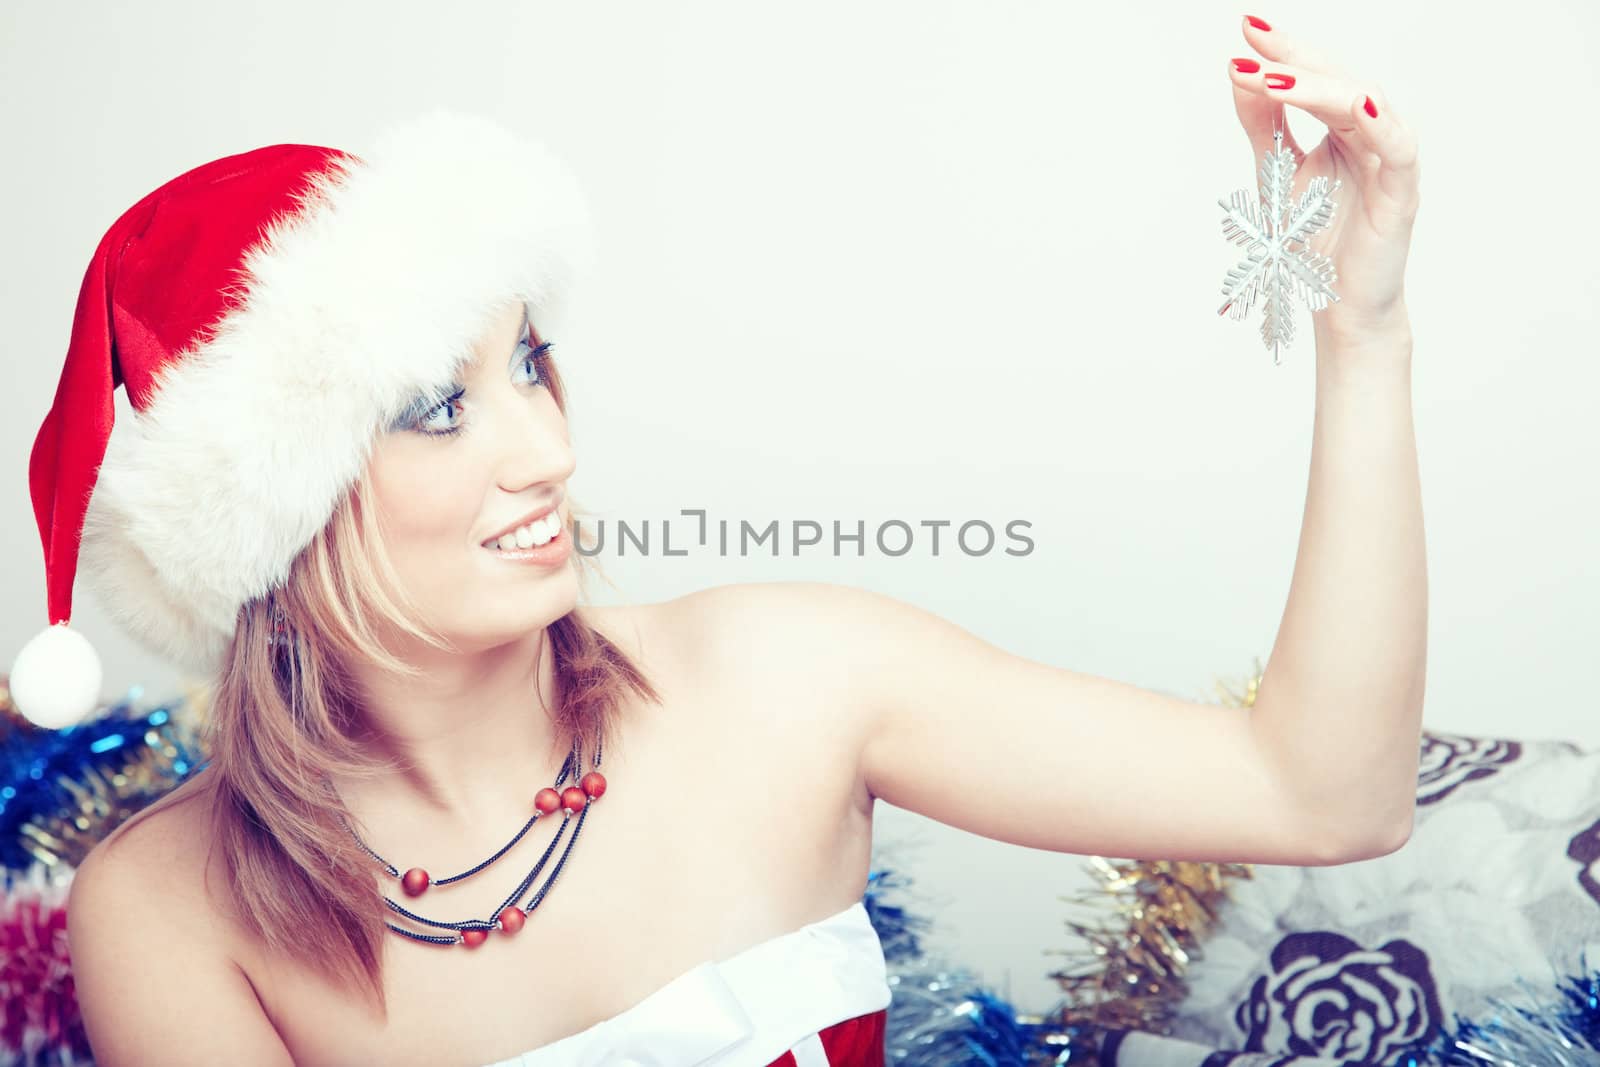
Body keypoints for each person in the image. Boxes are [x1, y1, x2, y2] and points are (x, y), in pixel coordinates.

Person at [13, 15, 1424, 1066]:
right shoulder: (169, 911)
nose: (549, 448)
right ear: (271, 512)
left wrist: (1361, 330)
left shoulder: (786, 678)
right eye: (439, 406)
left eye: (532, 362)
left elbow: (1323, 796)